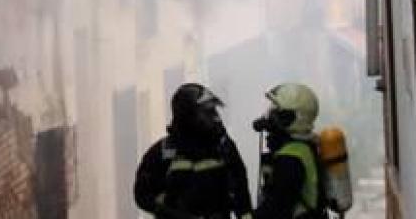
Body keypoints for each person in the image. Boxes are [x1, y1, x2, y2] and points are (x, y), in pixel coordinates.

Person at [133, 83, 253, 219]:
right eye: (208, 112)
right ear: (187, 115)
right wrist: (171, 213)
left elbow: (240, 188)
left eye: (214, 111)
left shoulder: (223, 146)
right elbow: (142, 195)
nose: (216, 117)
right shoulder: (162, 152)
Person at [252, 83, 323, 219]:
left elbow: (276, 208)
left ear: (290, 117)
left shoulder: (291, 158)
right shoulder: (305, 146)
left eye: (276, 112)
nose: (269, 117)